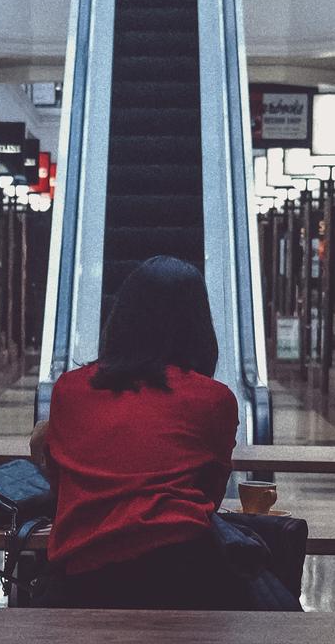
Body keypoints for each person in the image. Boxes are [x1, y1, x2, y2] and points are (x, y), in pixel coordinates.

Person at [35, 255, 247, 609]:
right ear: (198, 324)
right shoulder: (213, 399)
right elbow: (209, 493)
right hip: (184, 576)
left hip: (82, 578)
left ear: (121, 316)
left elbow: (60, 487)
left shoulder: (69, 390)